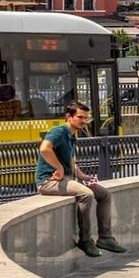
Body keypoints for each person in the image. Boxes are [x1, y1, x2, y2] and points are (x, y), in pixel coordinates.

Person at [35, 102, 124, 258]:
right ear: (68, 117)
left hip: (67, 178)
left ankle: (105, 237)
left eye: (85, 118)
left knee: (104, 194)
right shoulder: (59, 131)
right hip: (48, 182)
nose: (83, 121)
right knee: (87, 194)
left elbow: (69, 160)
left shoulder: (71, 135)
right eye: (79, 117)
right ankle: (85, 240)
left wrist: (82, 175)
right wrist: (59, 168)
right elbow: (44, 148)